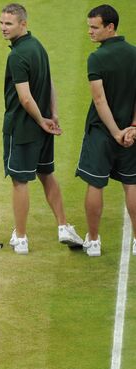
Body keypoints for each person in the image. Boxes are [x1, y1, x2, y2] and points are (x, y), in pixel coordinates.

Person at [0, 3, 83, 254]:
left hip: (24, 128)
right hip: (44, 125)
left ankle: (21, 237)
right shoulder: (38, 47)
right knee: (47, 174)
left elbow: (25, 98)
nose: (3, 28)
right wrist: (52, 115)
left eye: (9, 24)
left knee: (20, 181)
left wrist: (39, 120)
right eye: (1, 23)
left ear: (23, 24)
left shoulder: (17, 56)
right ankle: (64, 226)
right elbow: (50, 83)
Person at [75, 4, 136, 257]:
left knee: (95, 184)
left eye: (94, 27)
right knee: (132, 184)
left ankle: (93, 240)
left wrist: (115, 132)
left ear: (110, 27)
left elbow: (100, 101)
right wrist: (132, 127)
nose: (89, 32)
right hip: (131, 134)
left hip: (102, 132)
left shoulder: (96, 58)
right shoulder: (135, 53)